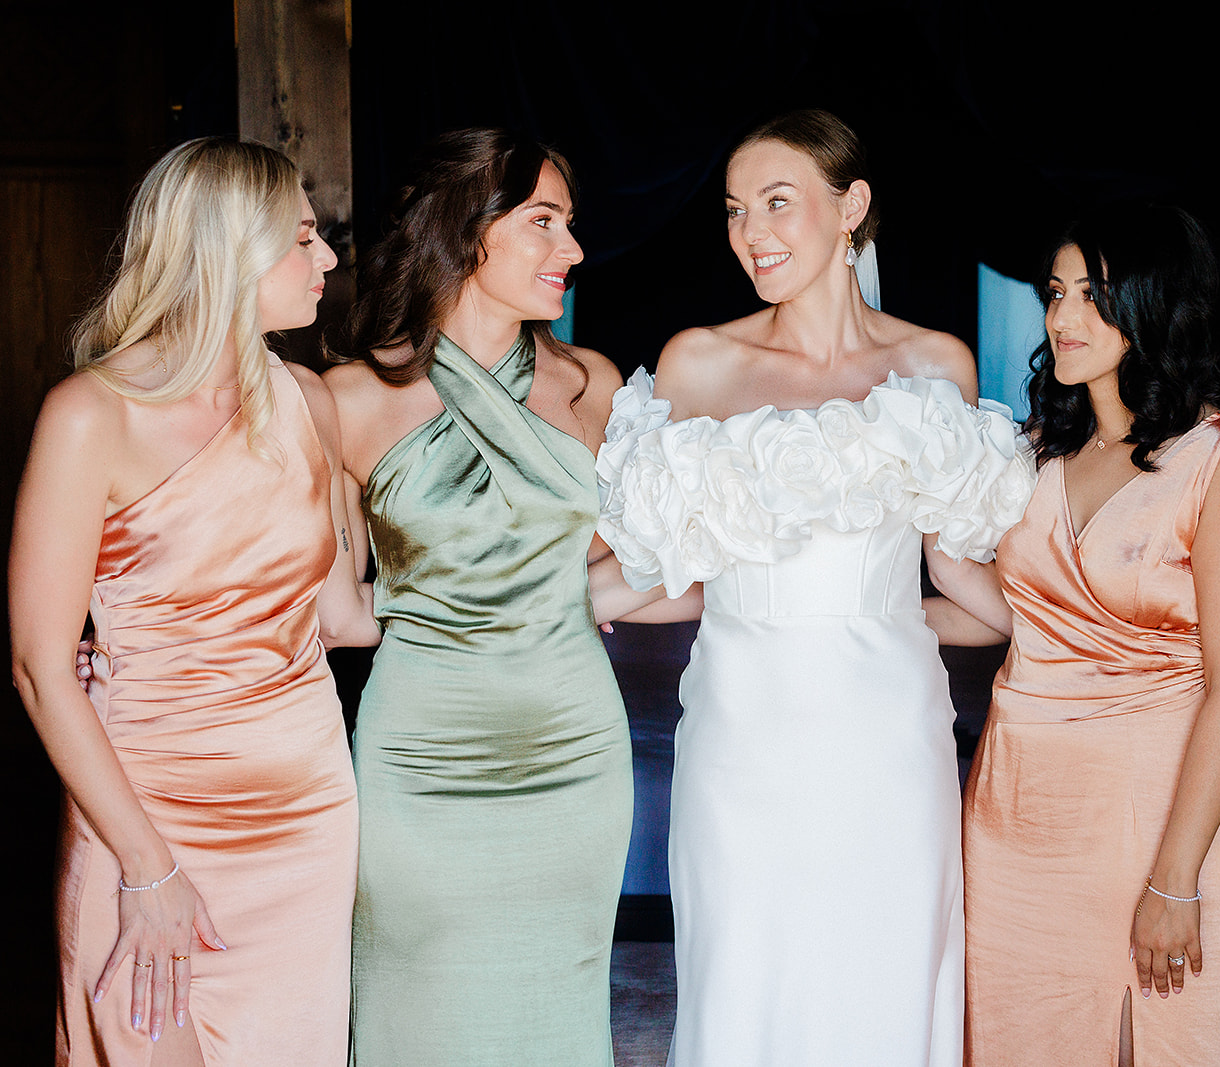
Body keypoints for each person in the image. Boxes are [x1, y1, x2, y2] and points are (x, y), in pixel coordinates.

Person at [595, 108, 1033, 1066]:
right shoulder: (699, 361)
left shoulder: (933, 364)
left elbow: (962, 568)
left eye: (779, 203)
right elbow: (668, 569)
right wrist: (550, 604)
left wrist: (1088, 641)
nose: (753, 233)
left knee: (881, 977)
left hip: (886, 736)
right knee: (746, 979)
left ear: (853, 208)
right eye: (736, 210)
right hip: (743, 732)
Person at [10, 137, 377, 1065]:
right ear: (226, 250)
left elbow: (342, 615)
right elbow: (41, 667)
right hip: (149, 816)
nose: (328, 258)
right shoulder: (92, 414)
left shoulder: (306, 400)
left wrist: (523, 600)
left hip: (305, 817)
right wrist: (147, 864)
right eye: (302, 238)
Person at [323, 128, 666, 1065]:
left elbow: (610, 563)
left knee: (553, 1013)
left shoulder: (590, 385)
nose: (575, 249)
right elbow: (327, 609)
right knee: (418, 1006)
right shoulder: (347, 400)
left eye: (571, 224)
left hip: (572, 751)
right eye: (545, 222)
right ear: (464, 232)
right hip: (419, 758)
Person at [924, 205, 1220, 1065]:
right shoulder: (1040, 450)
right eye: (1055, 293)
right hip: (1015, 825)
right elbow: (1029, 622)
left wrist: (1175, 878)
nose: (1062, 318)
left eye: (1093, 295)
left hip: (1153, 826)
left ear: (1154, 301)